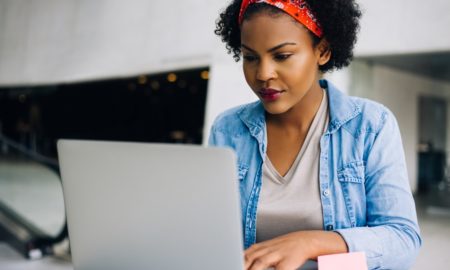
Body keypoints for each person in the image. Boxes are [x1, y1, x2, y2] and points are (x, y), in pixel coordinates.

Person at [209, 0, 422, 269]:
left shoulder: (370, 126)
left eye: (282, 56)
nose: (263, 74)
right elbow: (214, 234)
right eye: (250, 57)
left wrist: (311, 243)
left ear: (322, 51)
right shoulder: (228, 129)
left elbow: (402, 241)